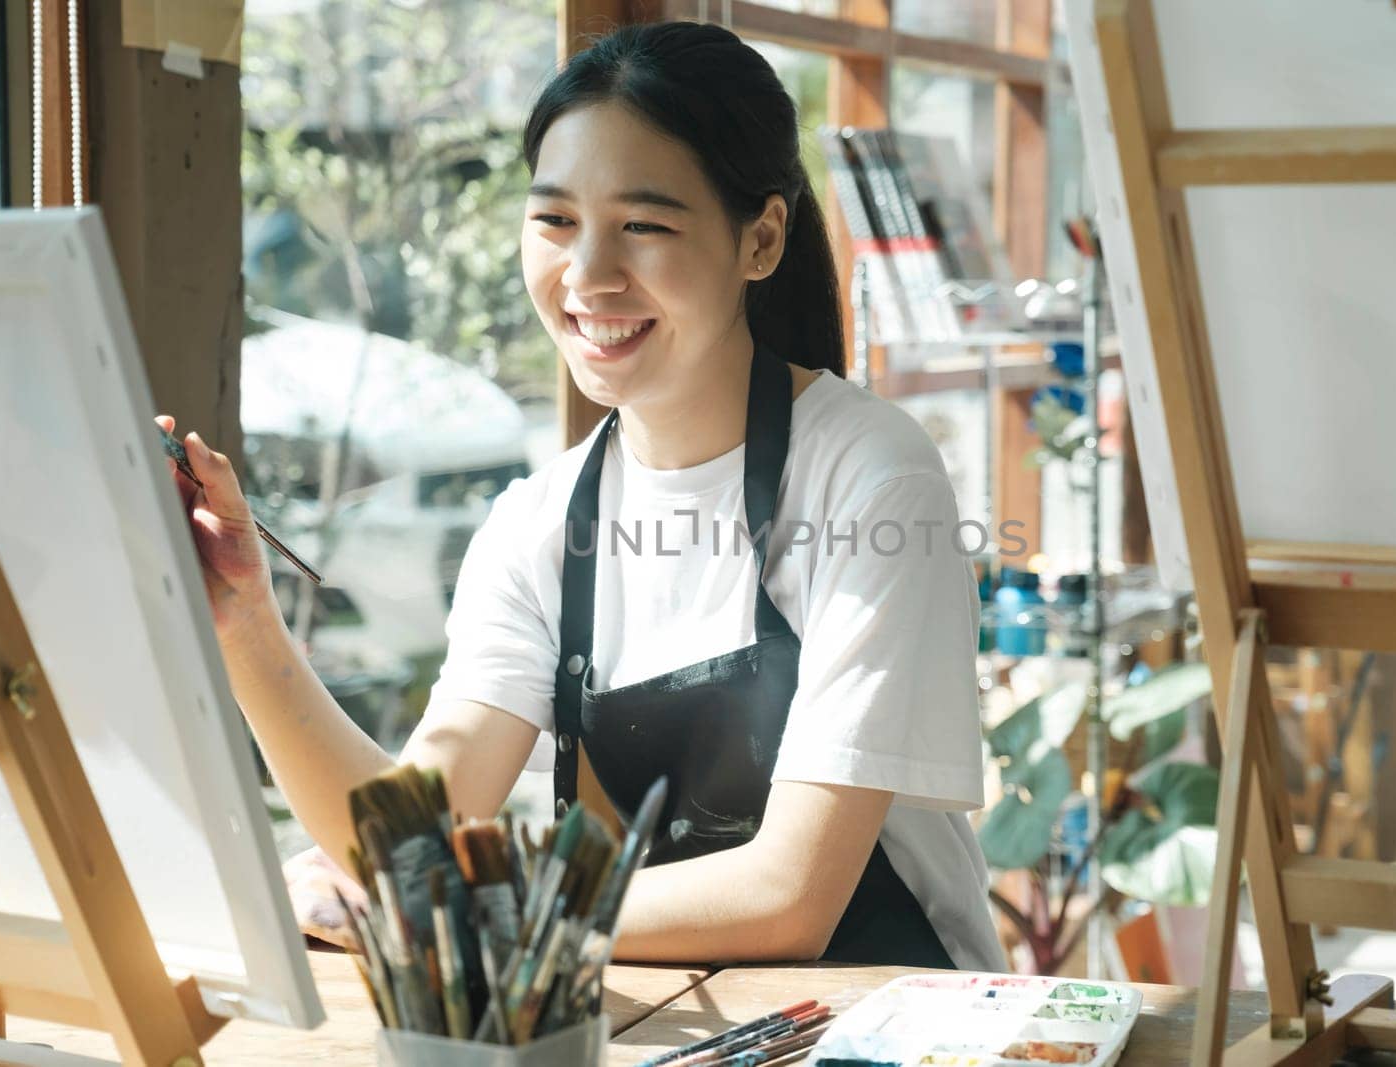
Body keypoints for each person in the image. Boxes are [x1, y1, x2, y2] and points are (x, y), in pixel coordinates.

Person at [160, 20, 1004, 971]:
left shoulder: (870, 474)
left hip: (886, 1026)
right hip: (665, 1020)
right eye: (556, 221)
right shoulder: (539, 521)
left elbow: (790, 895)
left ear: (760, 238)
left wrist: (477, 902)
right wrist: (243, 621)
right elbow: (409, 841)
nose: (589, 275)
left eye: (644, 224)